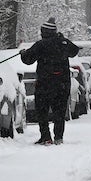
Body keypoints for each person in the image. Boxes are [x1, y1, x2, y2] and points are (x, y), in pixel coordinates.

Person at [20, 17, 79, 145]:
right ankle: (58, 137)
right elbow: (74, 51)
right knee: (59, 112)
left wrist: (23, 53)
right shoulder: (63, 43)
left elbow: (28, 59)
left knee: (42, 111)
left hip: (44, 84)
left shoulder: (41, 45)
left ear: (44, 32)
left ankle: (46, 137)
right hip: (62, 84)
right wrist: (62, 39)